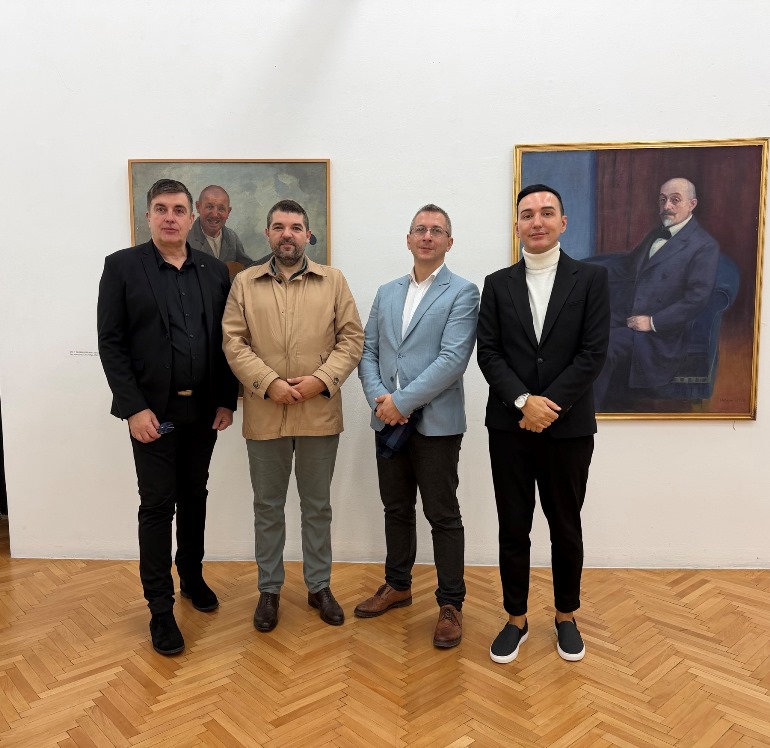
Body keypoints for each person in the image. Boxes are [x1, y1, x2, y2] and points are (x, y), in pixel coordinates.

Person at [97, 178, 238, 656]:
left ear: (192, 217)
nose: (171, 217)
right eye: (161, 209)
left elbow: (225, 341)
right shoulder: (122, 267)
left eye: (179, 209)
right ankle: (160, 609)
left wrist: (226, 400)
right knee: (158, 506)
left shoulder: (214, 270)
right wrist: (133, 408)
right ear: (148, 216)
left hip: (202, 410)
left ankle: (191, 578)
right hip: (151, 414)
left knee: (194, 497)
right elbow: (111, 343)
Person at [477, 184, 609, 663]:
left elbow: (593, 352)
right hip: (509, 428)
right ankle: (516, 618)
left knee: (565, 526)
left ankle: (566, 616)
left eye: (547, 212)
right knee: (513, 526)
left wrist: (547, 405)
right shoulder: (497, 283)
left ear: (562, 222)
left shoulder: (591, 279)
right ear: (517, 225)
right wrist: (522, 402)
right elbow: (489, 353)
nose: (537, 221)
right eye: (528, 214)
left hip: (568, 428)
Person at [222, 199, 363, 632]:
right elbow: (233, 342)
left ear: (307, 234)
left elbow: (352, 339)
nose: (288, 234)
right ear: (268, 234)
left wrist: (321, 380)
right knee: (267, 507)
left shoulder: (333, 281)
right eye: (280, 226)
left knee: (317, 507)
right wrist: (269, 383)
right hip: (266, 413)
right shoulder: (245, 283)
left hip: (318, 413)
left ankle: (319, 586)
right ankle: (269, 590)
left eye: (296, 227)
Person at [356, 204, 479, 649]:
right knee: (396, 508)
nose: (428, 236)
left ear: (449, 242)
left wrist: (401, 403)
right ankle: (398, 585)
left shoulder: (463, 292)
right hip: (387, 421)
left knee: (442, 514)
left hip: (437, 425)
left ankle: (450, 604)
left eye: (437, 230)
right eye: (420, 229)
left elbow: (453, 359)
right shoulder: (386, 292)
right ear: (408, 239)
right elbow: (368, 351)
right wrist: (381, 401)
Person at [593, 178, 720, 409]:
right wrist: (582, 270)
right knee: (582, 331)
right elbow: (627, 266)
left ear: (692, 204)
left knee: (603, 347)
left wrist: (652, 322)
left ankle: (589, 415)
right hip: (628, 317)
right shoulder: (656, 234)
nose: (667, 206)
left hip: (660, 334)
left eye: (675, 200)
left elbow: (696, 299)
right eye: (663, 200)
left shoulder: (704, 246)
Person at [188, 185, 254, 268]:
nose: (215, 214)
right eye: (209, 207)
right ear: (198, 207)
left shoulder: (232, 237)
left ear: (228, 211)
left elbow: (248, 267)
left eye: (221, 209)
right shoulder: (185, 239)